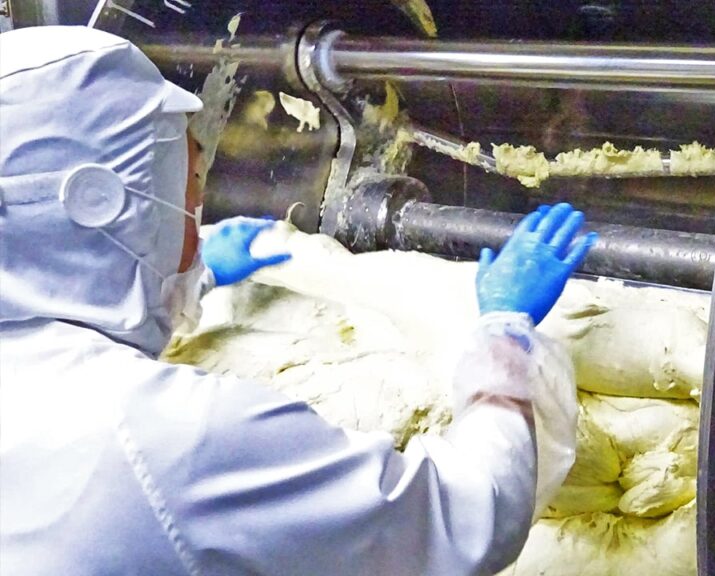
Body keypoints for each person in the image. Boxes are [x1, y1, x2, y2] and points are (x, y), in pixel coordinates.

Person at [0, 26, 597, 576]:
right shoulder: (175, 439)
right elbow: (462, 518)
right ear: (103, 206)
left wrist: (195, 282)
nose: (197, 214)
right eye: (185, 192)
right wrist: (505, 337)